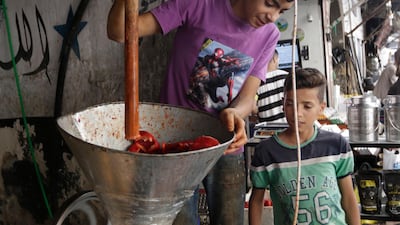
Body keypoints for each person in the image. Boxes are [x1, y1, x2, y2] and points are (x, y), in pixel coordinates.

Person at [107, 0, 294, 225]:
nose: (272, 16)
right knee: (181, 220)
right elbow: (119, 31)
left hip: (226, 146)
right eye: (270, 4)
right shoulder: (198, 4)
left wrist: (235, 112)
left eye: (281, 11)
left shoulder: (269, 34)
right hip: (175, 145)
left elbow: (247, 96)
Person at [249, 68, 361, 225]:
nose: (297, 113)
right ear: (283, 104)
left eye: (307, 106)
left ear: (321, 108)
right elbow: (256, 201)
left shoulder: (336, 146)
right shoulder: (267, 152)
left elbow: (349, 199)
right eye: (290, 104)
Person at [256, 49, 288, 123]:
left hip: (267, 131)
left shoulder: (257, 82)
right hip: (288, 128)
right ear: (274, 59)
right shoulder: (288, 77)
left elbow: (253, 108)